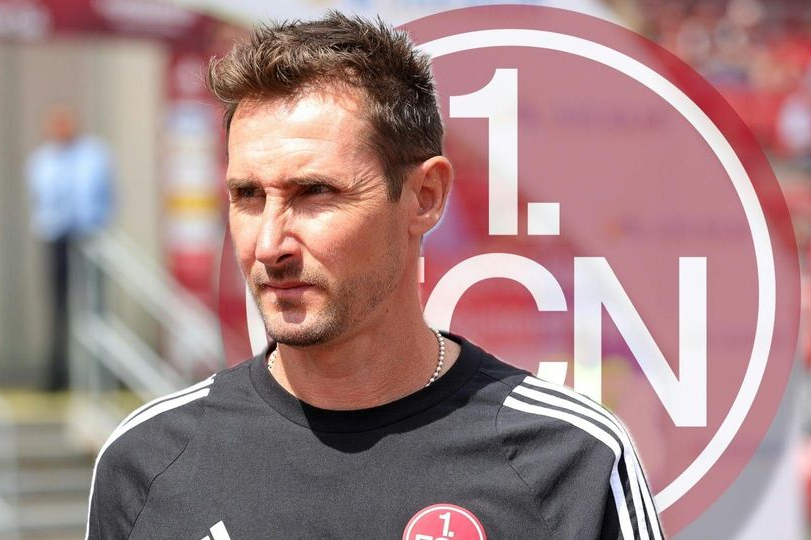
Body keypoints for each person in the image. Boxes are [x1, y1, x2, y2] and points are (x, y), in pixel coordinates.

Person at [86, 12, 662, 539]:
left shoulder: (570, 460)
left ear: (425, 197)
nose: (268, 245)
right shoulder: (147, 463)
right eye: (248, 196)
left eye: (315, 192)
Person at [26, 106, 114, 391]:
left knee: (94, 307)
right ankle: (58, 375)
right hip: (57, 241)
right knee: (58, 309)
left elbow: (108, 195)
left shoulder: (94, 155)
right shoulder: (42, 160)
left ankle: (97, 374)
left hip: (89, 240)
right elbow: (42, 200)